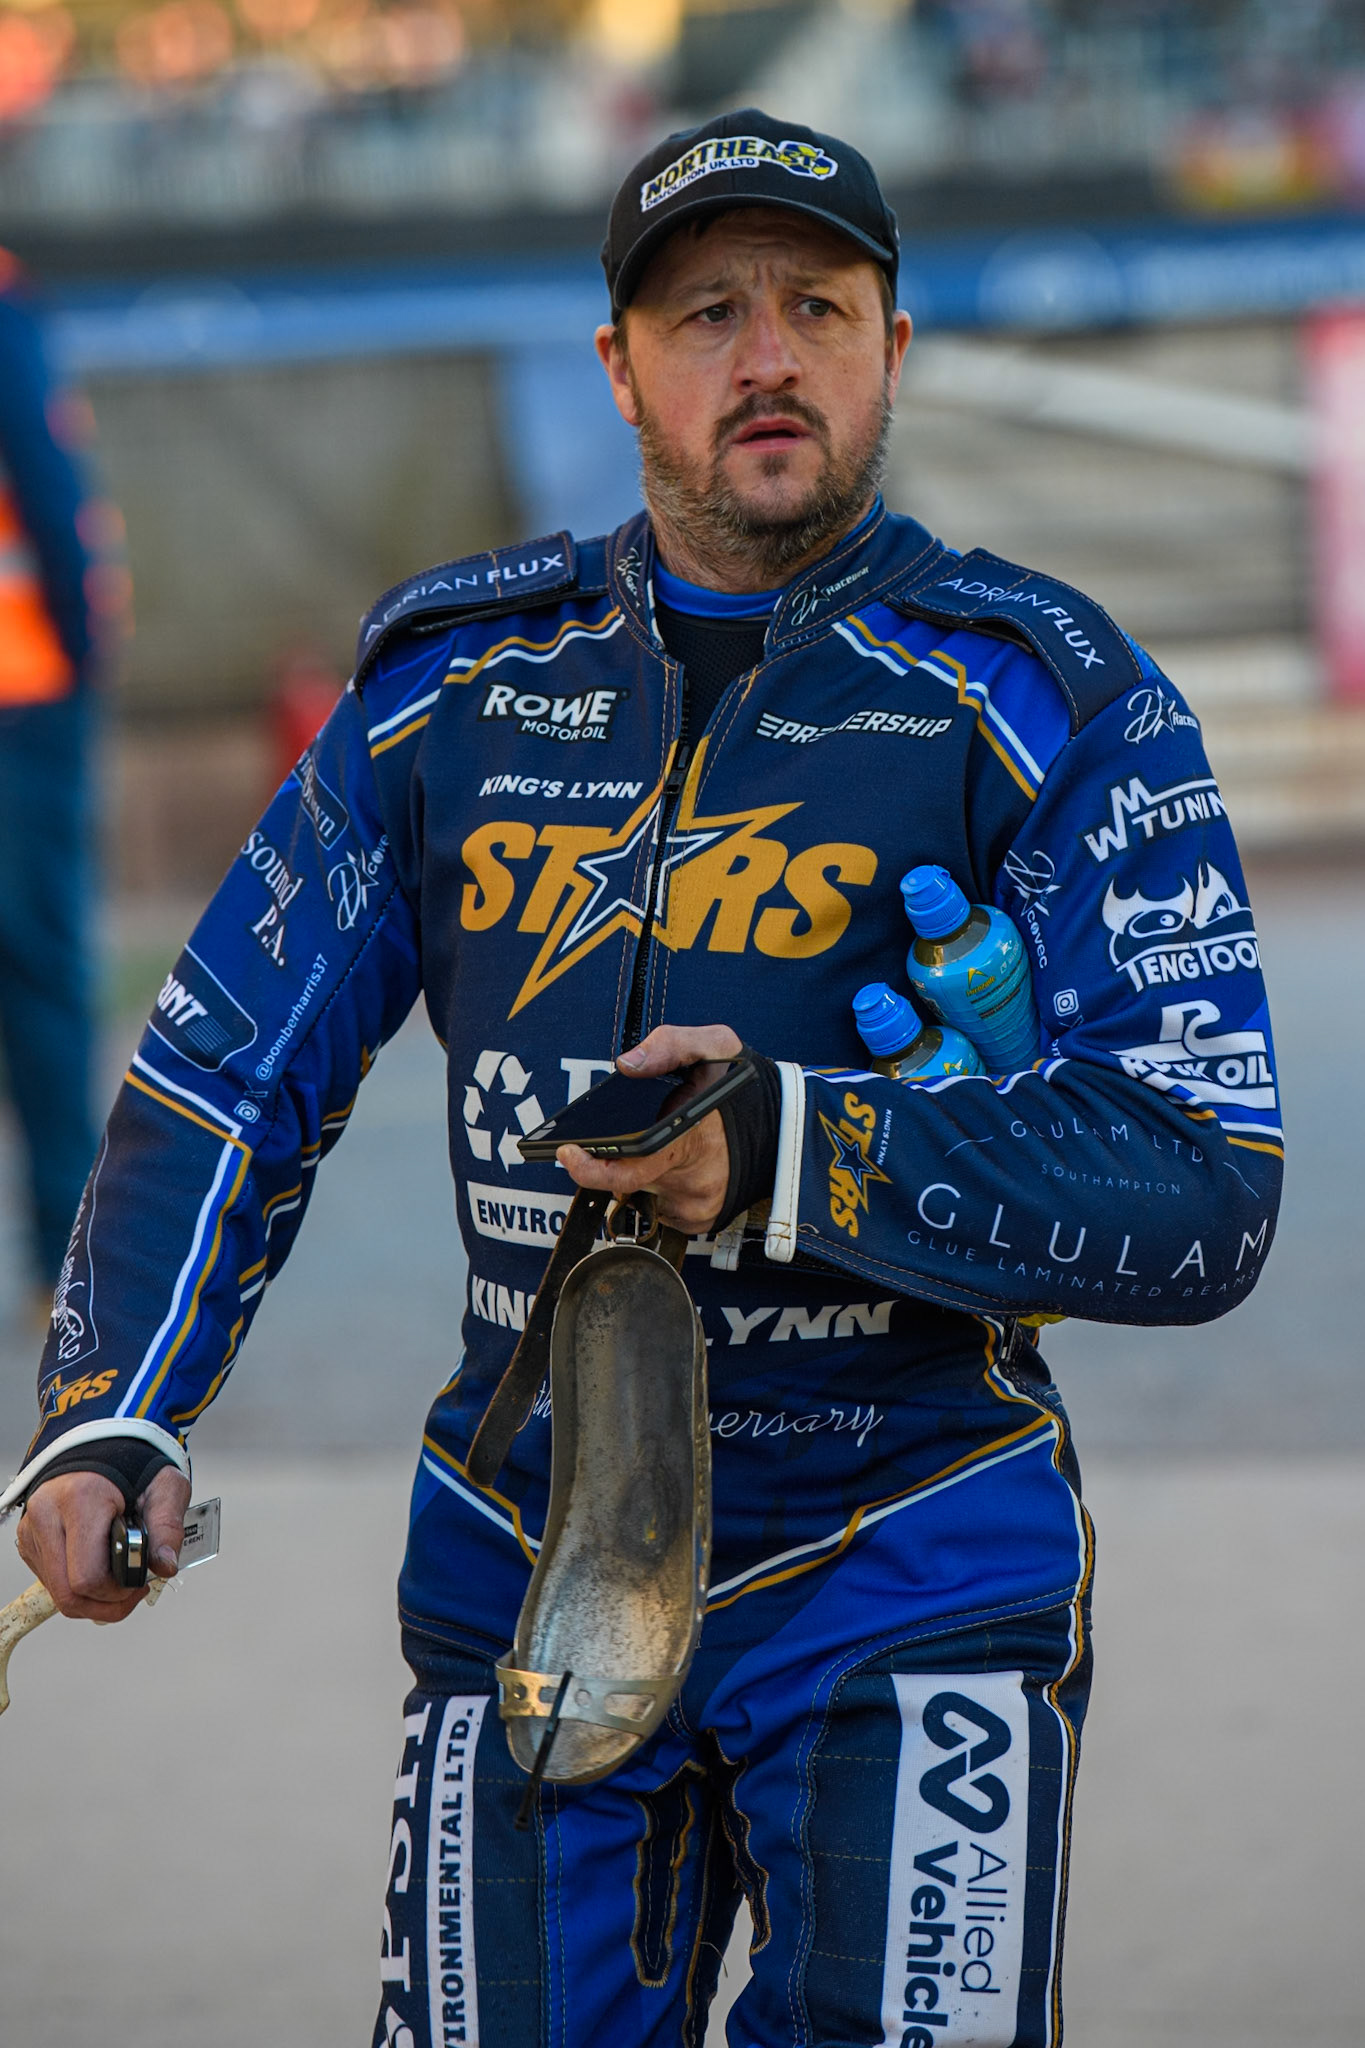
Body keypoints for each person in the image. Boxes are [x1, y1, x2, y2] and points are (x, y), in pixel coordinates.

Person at [3, 109, 1282, 2048]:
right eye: (704, 313)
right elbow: (222, 1069)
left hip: (910, 1546)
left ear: (892, 346)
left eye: (815, 307)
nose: (763, 355)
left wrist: (780, 1146)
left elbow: (1206, 1177)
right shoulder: (448, 683)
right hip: (527, 1555)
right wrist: (114, 1411)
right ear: (615, 366)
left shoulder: (1052, 695)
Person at [0, 250, 106, 1322]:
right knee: (38, 979)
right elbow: (50, 488)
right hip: (19, 697)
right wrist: (85, 653)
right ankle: (63, 1257)